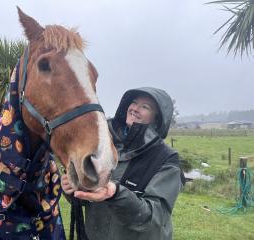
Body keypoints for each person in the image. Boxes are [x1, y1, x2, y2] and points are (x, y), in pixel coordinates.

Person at [62, 87, 185, 240]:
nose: (135, 108)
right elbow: (88, 199)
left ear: (157, 118)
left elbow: (154, 220)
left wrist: (115, 193)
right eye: (133, 102)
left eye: (145, 107)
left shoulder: (166, 159)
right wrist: (73, 189)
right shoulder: (104, 144)